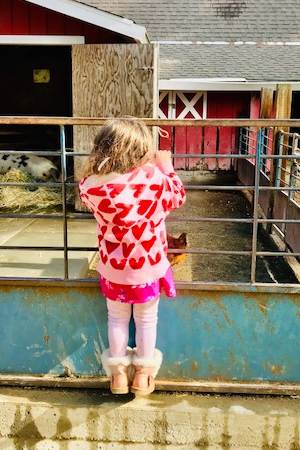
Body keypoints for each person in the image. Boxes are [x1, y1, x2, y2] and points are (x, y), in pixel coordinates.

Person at [79, 118, 186, 395]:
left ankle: (117, 378)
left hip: (113, 267)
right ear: (141, 151)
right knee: (146, 320)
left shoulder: (90, 186)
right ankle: (143, 377)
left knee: (116, 319)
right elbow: (177, 196)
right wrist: (165, 165)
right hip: (148, 267)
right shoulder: (152, 180)